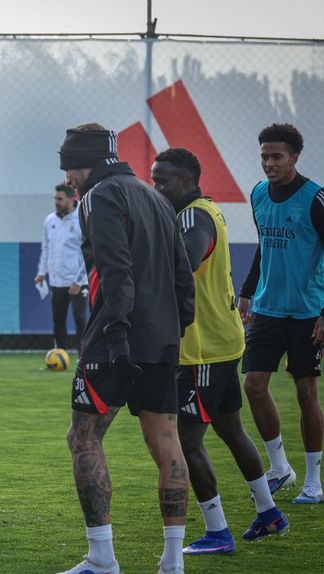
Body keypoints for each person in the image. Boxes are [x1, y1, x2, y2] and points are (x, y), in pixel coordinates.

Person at [58, 124, 195, 574]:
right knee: (167, 441)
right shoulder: (155, 196)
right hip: (162, 338)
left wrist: (115, 337)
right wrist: (174, 329)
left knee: (83, 437)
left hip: (117, 340)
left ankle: (102, 558)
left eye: (69, 170)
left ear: (84, 164)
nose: (67, 181)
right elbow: (182, 278)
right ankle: (172, 562)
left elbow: (115, 271)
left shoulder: (99, 197)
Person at [151, 147, 288, 555]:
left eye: (164, 180)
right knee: (231, 430)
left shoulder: (193, 215)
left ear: (189, 181)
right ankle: (268, 512)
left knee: (185, 443)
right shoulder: (202, 210)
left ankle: (217, 532)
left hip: (201, 351)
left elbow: (188, 259)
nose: (156, 186)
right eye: (153, 178)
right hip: (222, 343)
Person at [238, 123, 324, 504]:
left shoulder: (315, 199)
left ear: (294, 157)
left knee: (306, 392)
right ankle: (280, 469)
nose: (268, 163)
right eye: (264, 156)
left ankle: (313, 480)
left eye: (276, 156)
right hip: (267, 309)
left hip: (306, 312)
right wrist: (246, 292)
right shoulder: (258, 193)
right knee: (253, 385)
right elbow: (263, 247)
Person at [35, 183, 88, 350]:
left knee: (80, 319)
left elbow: (89, 252)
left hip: (78, 282)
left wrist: (79, 281)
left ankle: (84, 357)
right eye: (55, 199)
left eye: (60, 199)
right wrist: (42, 272)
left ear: (72, 199)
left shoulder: (82, 219)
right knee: (58, 319)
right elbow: (46, 248)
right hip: (57, 281)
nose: (56, 202)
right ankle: (59, 353)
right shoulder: (50, 220)